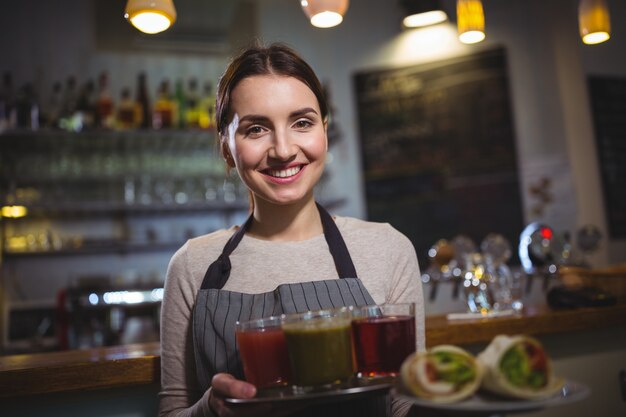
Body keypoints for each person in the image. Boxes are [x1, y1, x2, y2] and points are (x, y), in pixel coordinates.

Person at [158, 42, 426, 417]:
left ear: (324, 131)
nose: (283, 150)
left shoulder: (388, 248)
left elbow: (406, 400)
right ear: (225, 147)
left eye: (302, 122)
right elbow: (172, 411)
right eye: (256, 129)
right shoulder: (191, 265)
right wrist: (210, 411)